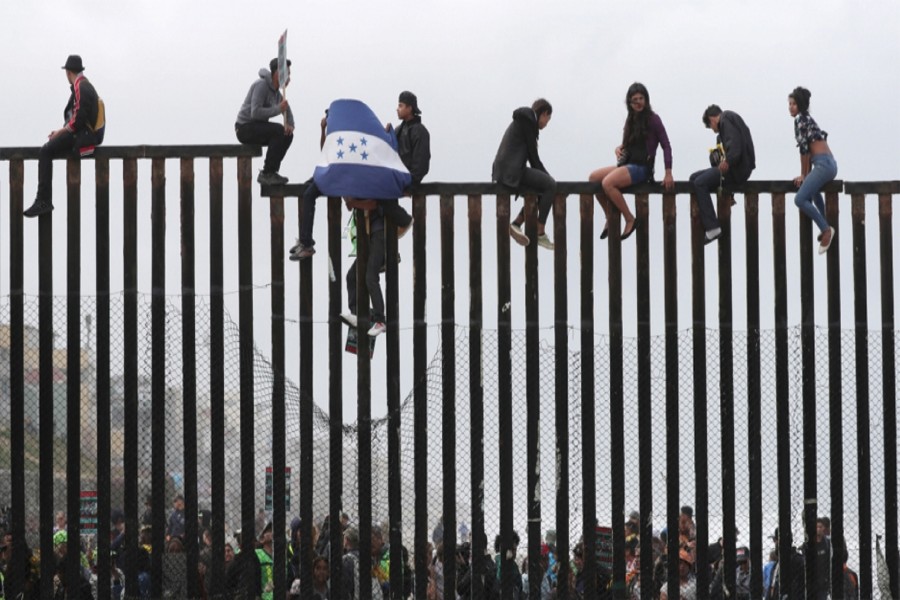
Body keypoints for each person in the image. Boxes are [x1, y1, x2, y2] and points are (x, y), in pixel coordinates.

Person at [588, 82, 674, 240]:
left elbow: (666, 145)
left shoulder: (654, 119)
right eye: (635, 99)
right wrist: (619, 148)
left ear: (646, 100)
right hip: (628, 164)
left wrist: (668, 172)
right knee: (593, 178)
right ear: (629, 102)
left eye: (641, 98)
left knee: (608, 183)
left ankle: (629, 218)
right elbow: (628, 144)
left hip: (643, 167)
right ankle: (609, 215)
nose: (639, 102)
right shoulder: (630, 119)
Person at [24, 55, 104, 218]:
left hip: (86, 137)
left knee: (46, 151)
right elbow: (77, 119)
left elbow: (78, 120)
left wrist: (61, 132)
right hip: (86, 135)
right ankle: (43, 199)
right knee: (50, 148)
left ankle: (43, 200)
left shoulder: (81, 87)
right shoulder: (84, 85)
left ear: (68, 72)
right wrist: (60, 131)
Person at [492, 98, 557, 250]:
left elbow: (532, 158)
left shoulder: (525, 122)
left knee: (540, 188)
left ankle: (516, 223)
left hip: (504, 170)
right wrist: (550, 179)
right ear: (544, 113)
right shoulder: (528, 118)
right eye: (548, 119)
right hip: (511, 169)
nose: (546, 124)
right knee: (550, 185)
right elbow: (534, 158)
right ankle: (540, 232)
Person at [689, 105, 755, 245]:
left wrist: (728, 161)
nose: (713, 130)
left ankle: (712, 227)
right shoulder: (729, 121)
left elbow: (735, 146)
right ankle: (711, 218)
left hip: (736, 170)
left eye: (711, 127)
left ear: (711, 120)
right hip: (738, 168)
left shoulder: (725, 119)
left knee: (700, 182)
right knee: (693, 178)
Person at [789, 86, 837, 254]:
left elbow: (804, 149)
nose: (790, 107)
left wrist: (803, 174)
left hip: (823, 164)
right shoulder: (808, 118)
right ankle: (825, 224)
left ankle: (825, 230)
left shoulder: (800, 120)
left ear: (800, 105)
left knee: (800, 199)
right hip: (829, 164)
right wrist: (806, 174)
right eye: (789, 104)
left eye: (793, 104)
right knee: (813, 191)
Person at [235, 57, 295, 186]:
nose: (289, 78)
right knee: (278, 130)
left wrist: (290, 124)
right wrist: (278, 109)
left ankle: (272, 171)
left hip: (257, 126)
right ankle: (267, 173)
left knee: (287, 134)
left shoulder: (276, 93)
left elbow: (287, 109)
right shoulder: (261, 85)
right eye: (287, 74)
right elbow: (255, 113)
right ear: (278, 73)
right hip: (244, 128)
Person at [383, 90, 429, 233]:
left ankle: (404, 220)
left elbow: (421, 163)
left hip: (407, 180)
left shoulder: (420, 131)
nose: (398, 109)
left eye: (401, 105)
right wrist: (386, 136)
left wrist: (411, 186)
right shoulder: (397, 130)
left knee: (382, 194)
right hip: (397, 177)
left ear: (410, 108)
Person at [341, 200, 388, 337]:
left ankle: (380, 321)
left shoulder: (372, 186)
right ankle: (356, 315)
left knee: (371, 278)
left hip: (379, 234)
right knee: (351, 276)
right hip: (368, 237)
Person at [290, 110, 329, 261]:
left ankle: (307, 245)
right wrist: (323, 129)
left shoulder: (342, 133)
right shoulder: (332, 132)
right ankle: (304, 238)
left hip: (335, 176)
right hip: (328, 172)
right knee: (304, 189)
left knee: (308, 195)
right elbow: (324, 151)